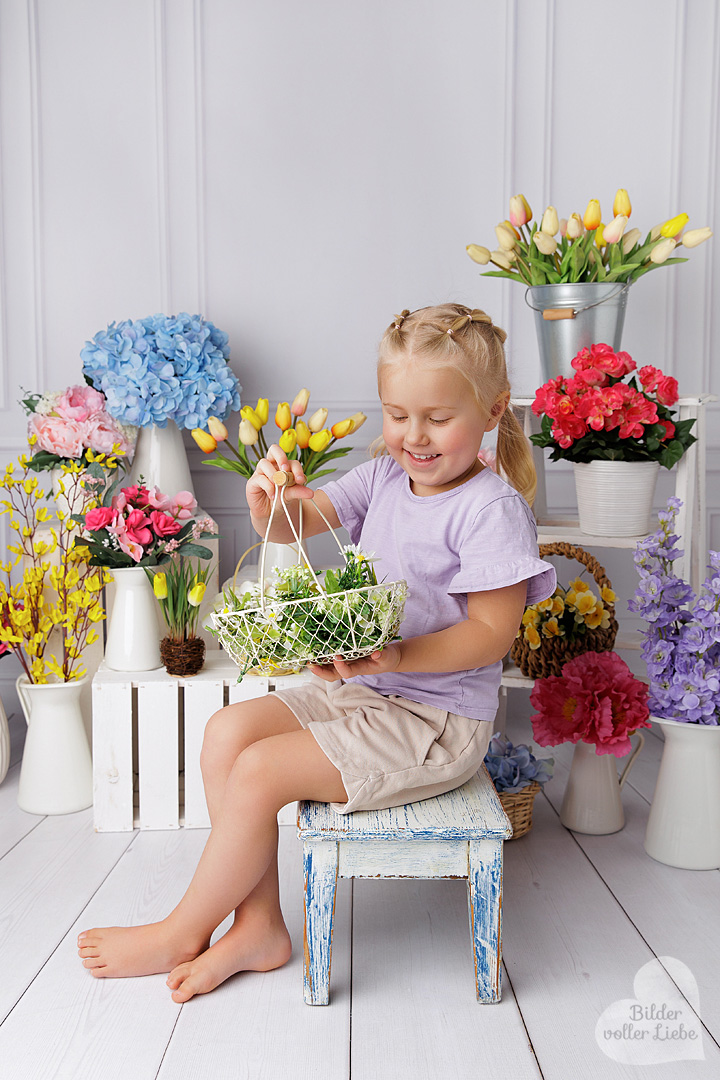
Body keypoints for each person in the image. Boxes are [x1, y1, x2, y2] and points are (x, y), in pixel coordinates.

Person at [77, 303, 556, 1002]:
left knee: (262, 770)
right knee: (225, 733)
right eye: (398, 414)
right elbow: (295, 521)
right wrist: (269, 498)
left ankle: (183, 927)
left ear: (491, 411)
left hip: (434, 723)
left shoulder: (490, 509)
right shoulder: (388, 477)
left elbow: (491, 634)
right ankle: (260, 926)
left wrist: (395, 659)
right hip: (361, 691)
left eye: (437, 418)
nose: (413, 437)